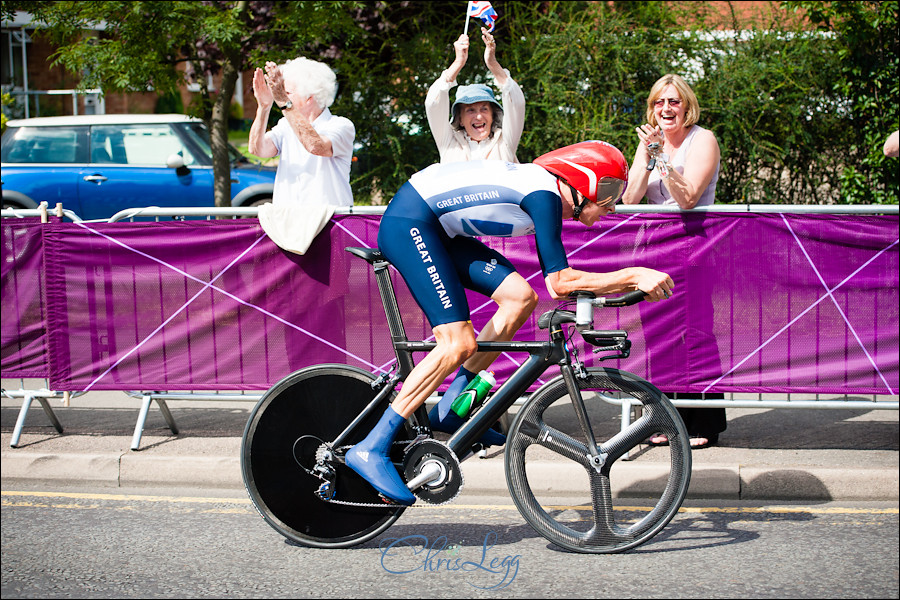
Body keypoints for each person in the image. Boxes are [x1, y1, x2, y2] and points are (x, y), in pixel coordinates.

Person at [345, 141, 675, 504]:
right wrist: (634, 274)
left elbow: (548, 288)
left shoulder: (546, 192)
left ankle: (452, 408)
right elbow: (560, 283)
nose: (612, 207)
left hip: (437, 229)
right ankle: (371, 446)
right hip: (411, 224)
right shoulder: (545, 195)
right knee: (457, 343)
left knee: (520, 298)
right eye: (609, 193)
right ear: (584, 182)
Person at [621, 73, 726, 449]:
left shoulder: (704, 140)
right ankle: (666, 419)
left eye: (674, 101)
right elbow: (631, 199)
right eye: (659, 103)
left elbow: (688, 199)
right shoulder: (650, 144)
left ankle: (701, 423)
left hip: (693, 245)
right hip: (653, 246)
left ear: (687, 106)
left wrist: (662, 158)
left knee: (694, 331)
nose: (666, 109)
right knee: (658, 333)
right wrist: (649, 159)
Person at [248, 57, 355, 207]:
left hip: (330, 221)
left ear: (309, 98)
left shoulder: (341, 125)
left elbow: (316, 146)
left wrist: (285, 103)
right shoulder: (285, 125)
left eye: (287, 93)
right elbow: (256, 149)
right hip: (291, 221)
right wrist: (263, 107)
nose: (280, 97)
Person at [425, 28, 525, 163]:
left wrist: (492, 63)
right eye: (470, 110)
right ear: (460, 119)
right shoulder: (449, 143)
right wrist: (458, 62)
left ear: (493, 115)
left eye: (484, 109)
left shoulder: (505, 142)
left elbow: (517, 103)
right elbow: (433, 103)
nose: (478, 116)